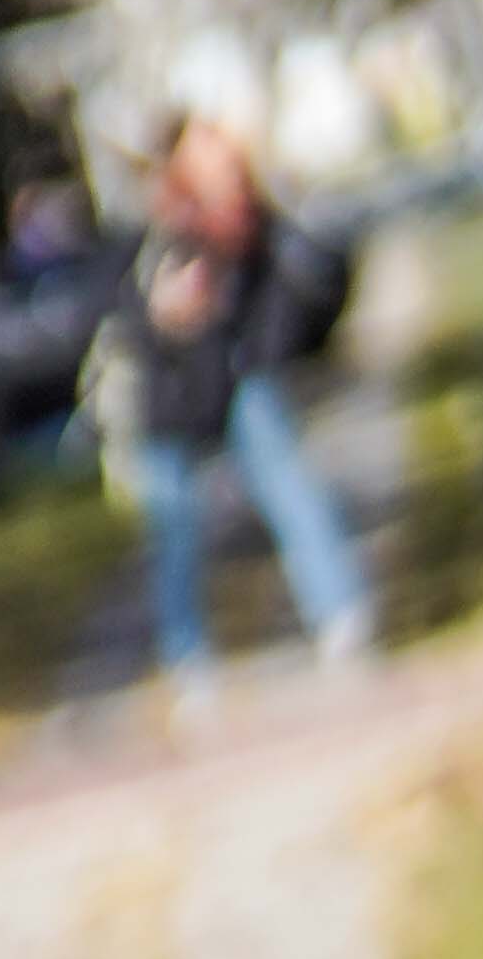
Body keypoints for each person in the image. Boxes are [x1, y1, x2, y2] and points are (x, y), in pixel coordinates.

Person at [111, 117, 372, 679]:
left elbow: (297, 285)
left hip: (239, 374)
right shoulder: (158, 230)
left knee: (289, 485)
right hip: (173, 394)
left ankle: (340, 610)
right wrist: (167, 314)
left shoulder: (251, 220)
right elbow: (130, 313)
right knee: (176, 529)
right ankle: (189, 660)